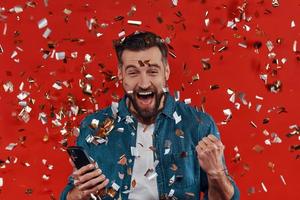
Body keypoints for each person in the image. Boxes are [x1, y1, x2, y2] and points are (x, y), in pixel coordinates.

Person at [61, 31, 240, 200]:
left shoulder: (199, 125)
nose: (144, 84)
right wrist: (80, 193)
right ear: (120, 74)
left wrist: (216, 173)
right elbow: (72, 194)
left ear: (166, 72)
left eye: (153, 71)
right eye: (133, 72)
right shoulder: (95, 126)